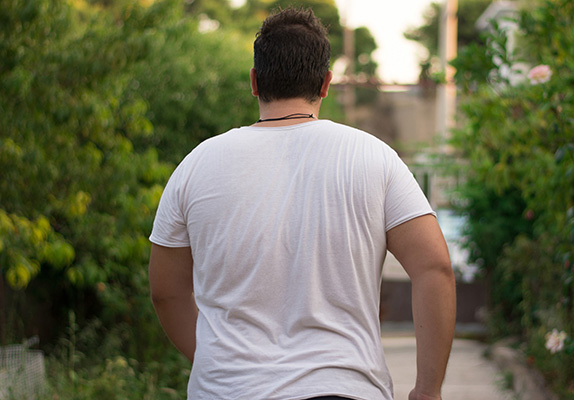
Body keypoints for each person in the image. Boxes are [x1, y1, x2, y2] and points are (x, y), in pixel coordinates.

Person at [148, 6, 456, 400]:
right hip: (344, 389)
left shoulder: (196, 165)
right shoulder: (374, 157)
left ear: (255, 82)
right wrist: (427, 390)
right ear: (326, 83)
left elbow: (165, 292)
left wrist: (219, 360)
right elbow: (435, 268)